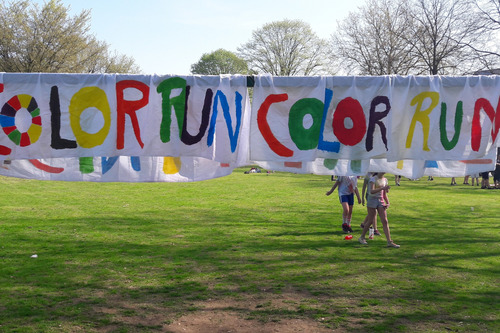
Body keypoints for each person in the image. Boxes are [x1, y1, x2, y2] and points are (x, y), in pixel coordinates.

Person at [358, 172, 400, 248]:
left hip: (380, 201)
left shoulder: (385, 180)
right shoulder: (373, 179)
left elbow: (384, 194)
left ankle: (389, 241)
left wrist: (387, 202)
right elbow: (372, 191)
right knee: (370, 220)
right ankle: (362, 237)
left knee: (385, 220)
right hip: (372, 200)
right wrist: (383, 188)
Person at [360, 173, 381, 237]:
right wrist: (362, 198)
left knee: (372, 212)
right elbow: (364, 187)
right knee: (374, 212)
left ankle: (364, 223)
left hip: (377, 196)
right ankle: (375, 229)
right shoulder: (368, 176)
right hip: (369, 195)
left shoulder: (378, 174)